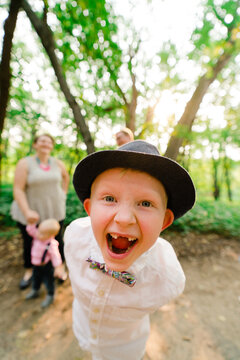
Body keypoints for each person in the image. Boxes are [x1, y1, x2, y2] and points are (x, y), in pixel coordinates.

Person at [64, 140, 196, 360]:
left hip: (125, 349)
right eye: (109, 199)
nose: (124, 219)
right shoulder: (74, 237)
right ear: (89, 209)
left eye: (145, 203)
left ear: (164, 221)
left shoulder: (167, 276)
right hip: (82, 329)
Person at [11, 133, 69, 290]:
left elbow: (66, 177)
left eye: (49, 141)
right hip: (31, 212)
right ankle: (29, 271)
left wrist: (63, 195)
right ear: (35, 144)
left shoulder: (57, 163)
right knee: (29, 242)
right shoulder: (25, 163)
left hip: (54, 211)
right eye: (42, 140)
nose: (46, 143)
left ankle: (59, 267)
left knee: (57, 239)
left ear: (52, 146)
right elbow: (18, 188)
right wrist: (27, 211)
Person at [25, 219, 63, 308]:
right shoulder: (38, 236)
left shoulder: (51, 244)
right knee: (35, 278)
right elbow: (31, 230)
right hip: (36, 265)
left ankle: (50, 294)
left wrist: (58, 267)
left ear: (51, 235)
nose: (38, 234)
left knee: (49, 281)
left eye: (42, 233)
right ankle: (35, 290)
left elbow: (56, 256)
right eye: (39, 231)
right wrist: (31, 223)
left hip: (46, 266)